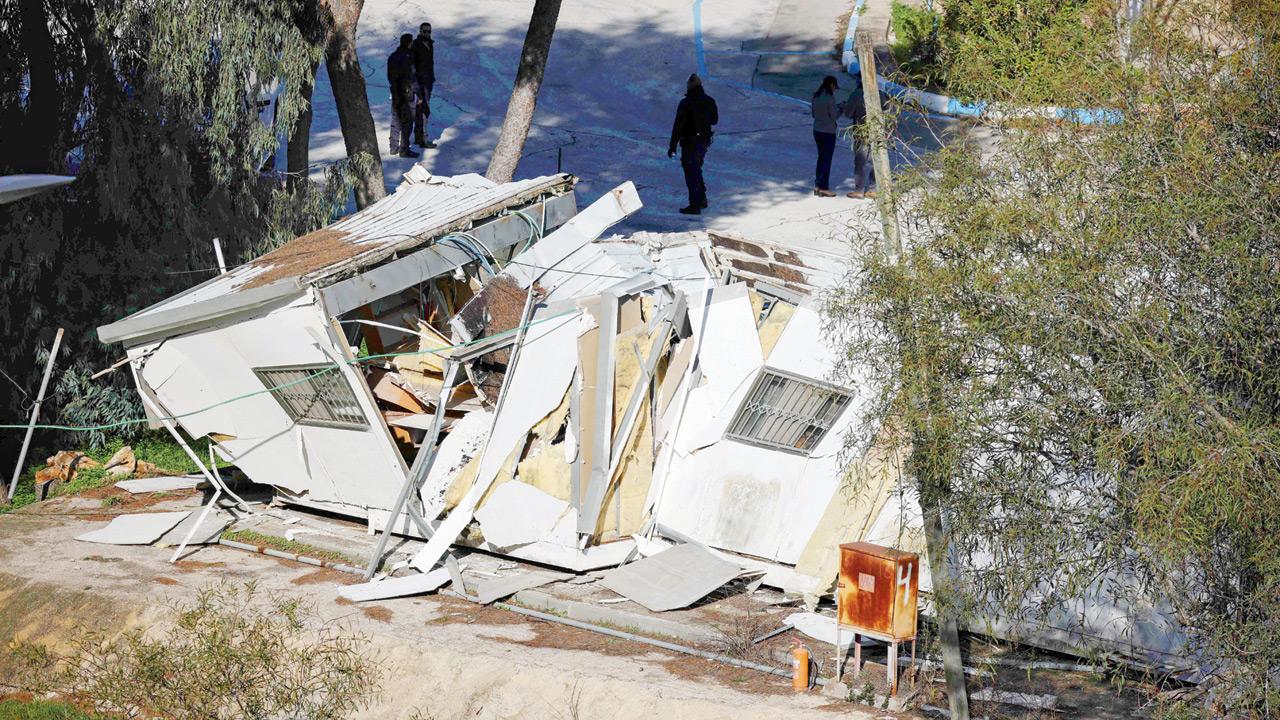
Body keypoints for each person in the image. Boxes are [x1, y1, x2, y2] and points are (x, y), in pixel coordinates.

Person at [667, 74, 718, 215]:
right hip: (704, 142)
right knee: (697, 169)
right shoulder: (710, 101)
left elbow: (678, 126)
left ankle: (695, 204)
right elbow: (714, 120)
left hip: (690, 142)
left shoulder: (686, 103)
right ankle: (701, 199)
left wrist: (672, 146)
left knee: (691, 172)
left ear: (689, 86)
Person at [842, 74, 876, 198]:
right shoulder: (881, 94)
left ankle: (859, 190)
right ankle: (873, 188)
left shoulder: (857, 94)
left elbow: (848, 113)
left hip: (861, 132)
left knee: (860, 162)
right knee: (875, 161)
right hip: (878, 133)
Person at [387, 33, 418, 158]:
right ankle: (404, 149)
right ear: (409, 43)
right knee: (407, 122)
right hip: (407, 94)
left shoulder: (392, 57)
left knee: (395, 121)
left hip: (395, 93)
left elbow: (389, 76)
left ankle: (393, 147)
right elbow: (412, 77)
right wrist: (416, 94)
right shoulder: (409, 58)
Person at [810, 75, 841, 197]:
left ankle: (818, 184)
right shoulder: (830, 98)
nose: (835, 90)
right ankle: (824, 187)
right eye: (835, 87)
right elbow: (834, 116)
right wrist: (841, 108)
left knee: (821, 158)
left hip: (817, 130)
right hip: (828, 132)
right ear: (831, 85)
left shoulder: (815, 96)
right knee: (827, 160)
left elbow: (813, 114)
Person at [412, 22, 437, 149]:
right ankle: (423, 139)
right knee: (424, 110)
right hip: (420, 83)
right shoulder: (416, 45)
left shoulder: (430, 44)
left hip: (428, 81)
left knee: (420, 109)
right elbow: (413, 66)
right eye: (425, 31)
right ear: (420, 31)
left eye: (429, 31)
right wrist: (416, 85)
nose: (427, 34)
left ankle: (418, 137)